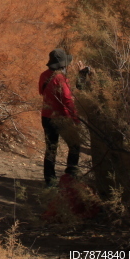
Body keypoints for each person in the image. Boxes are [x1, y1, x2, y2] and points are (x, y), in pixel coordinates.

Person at [38, 47, 82, 187]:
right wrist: (75, 119)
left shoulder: (44, 75)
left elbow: (41, 91)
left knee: (51, 148)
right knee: (75, 145)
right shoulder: (60, 78)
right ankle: (71, 175)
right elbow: (68, 100)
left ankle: (50, 180)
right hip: (61, 118)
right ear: (63, 64)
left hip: (46, 116)